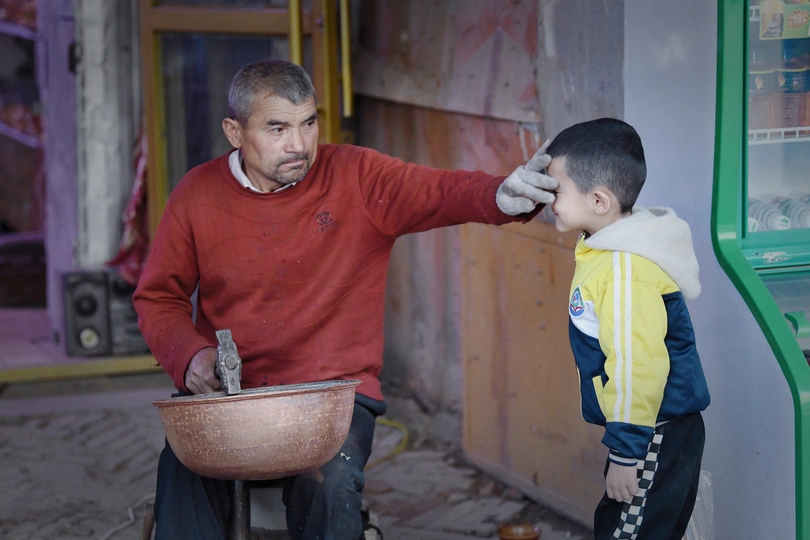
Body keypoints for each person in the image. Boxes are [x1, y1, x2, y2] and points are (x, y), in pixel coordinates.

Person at [132, 58, 558, 540]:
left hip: (332, 397)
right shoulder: (197, 194)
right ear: (234, 131)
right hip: (231, 396)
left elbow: (438, 191)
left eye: (308, 123)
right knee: (184, 474)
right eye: (277, 128)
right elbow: (157, 297)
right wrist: (190, 358)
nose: (299, 145)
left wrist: (502, 195)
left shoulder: (357, 176)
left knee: (328, 482)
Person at [546, 117, 710, 539]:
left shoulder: (622, 269)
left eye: (556, 189)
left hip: (652, 431)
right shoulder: (607, 250)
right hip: (650, 430)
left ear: (599, 200)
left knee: (626, 533)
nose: (550, 199)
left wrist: (625, 452)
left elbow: (637, 364)